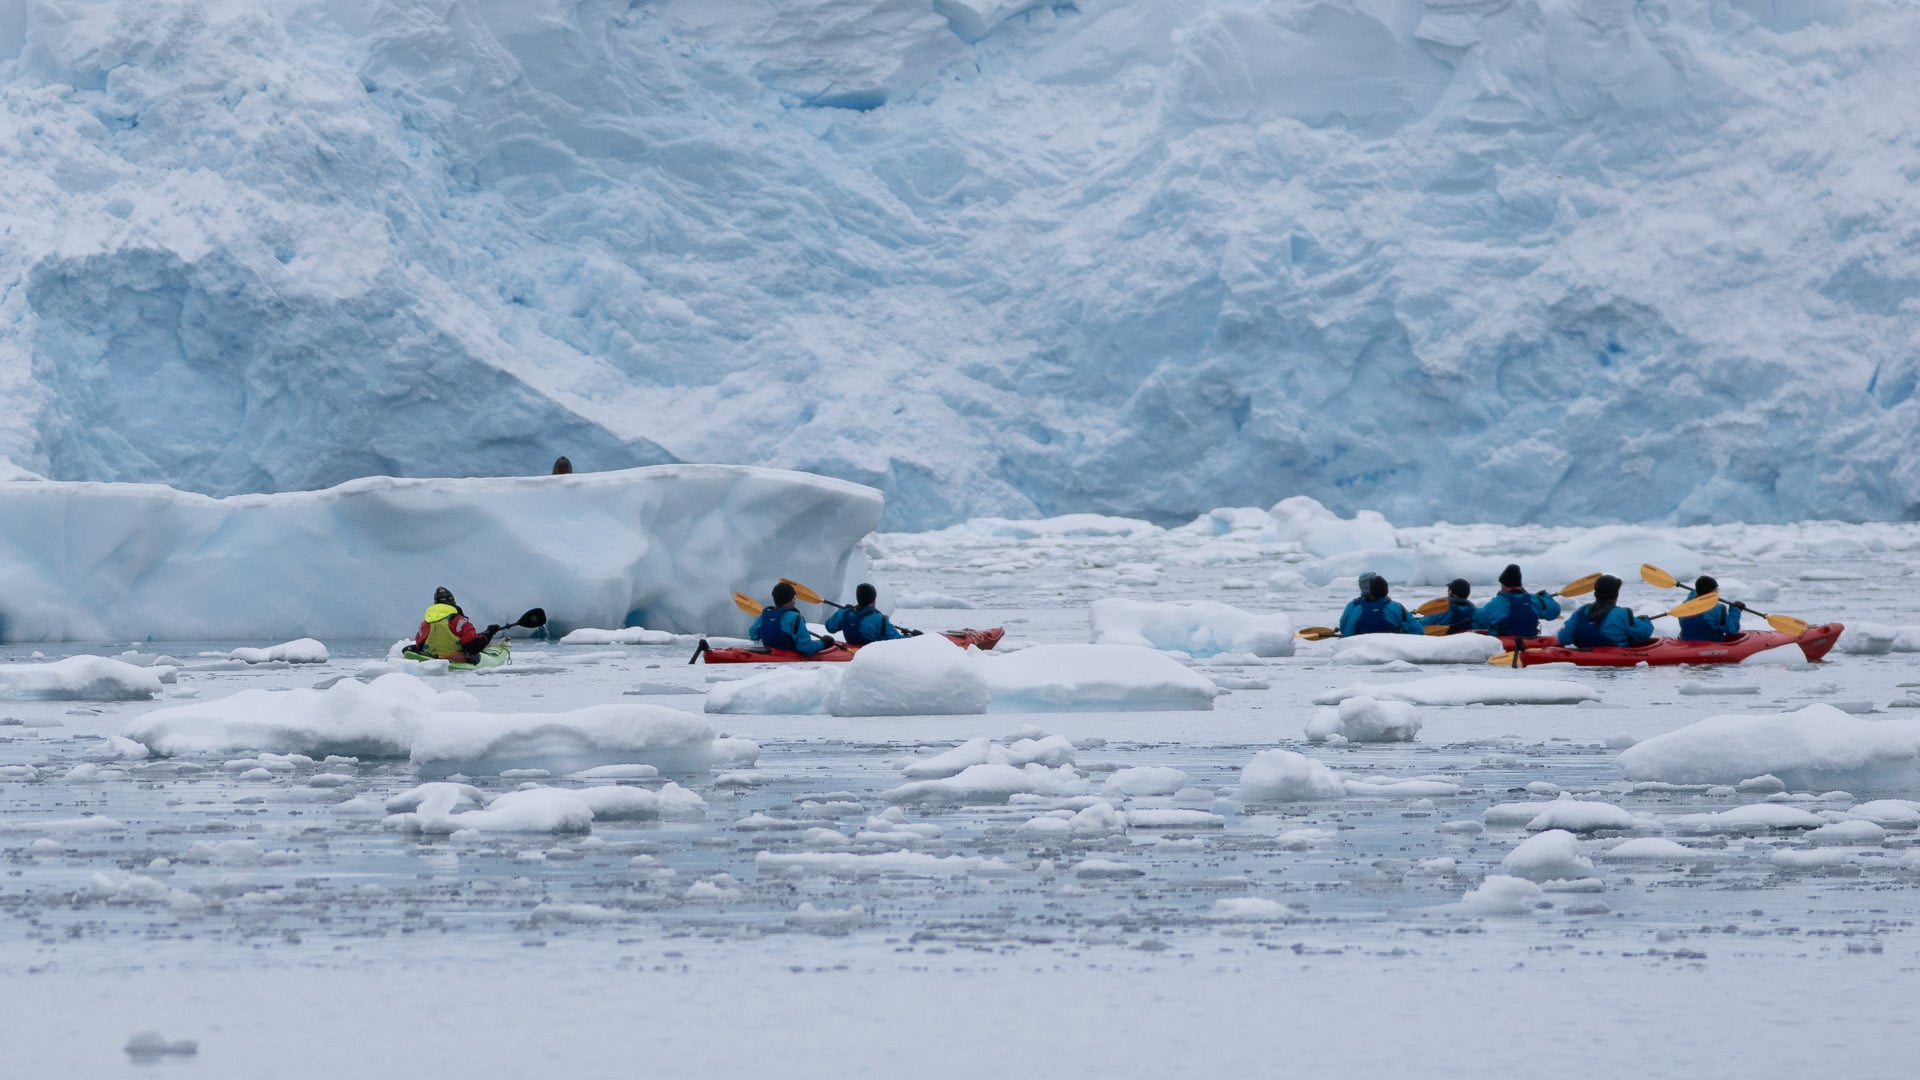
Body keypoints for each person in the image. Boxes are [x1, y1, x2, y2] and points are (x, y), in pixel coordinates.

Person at [1556, 575, 1654, 648]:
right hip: (1617, 663)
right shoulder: (1623, 613)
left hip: (1585, 660)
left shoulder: (1581, 611)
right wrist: (1645, 621)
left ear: (1595, 593)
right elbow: (1643, 635)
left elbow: (1564, 638)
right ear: (1616, 595)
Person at [1474, 563, 1561, 638]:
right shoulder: (1533, 599)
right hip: (1530, 644)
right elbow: (1554, 611)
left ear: (1504, 585)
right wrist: (1545, 597)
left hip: (1505, 647)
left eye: (1502, 585)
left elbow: (1478, 619)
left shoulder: (1497, 603)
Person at [749, 581, 834, 655]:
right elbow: (805, 648)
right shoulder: (795, 618)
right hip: (787, 657)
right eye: (795, 597)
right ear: (791, 599)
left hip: (769, 653)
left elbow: (753, 635)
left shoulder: (765, 614)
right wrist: (824, 643)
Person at [414, 586, 495, 662]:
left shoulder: (425, 623)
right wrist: (489, 633)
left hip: (430, 658)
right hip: (455, 659)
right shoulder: (459, 621)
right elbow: (473, 646)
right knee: (475, 656)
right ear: (453, 602)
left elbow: (419, 645)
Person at [825, 583, 917, 647]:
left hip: (850, 648)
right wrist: (914, 637)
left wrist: (842, 610)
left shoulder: (844, 613)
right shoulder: (881, 619)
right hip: (869, 653)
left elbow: (829, 627)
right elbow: (896, 641)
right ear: (873, 599)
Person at [1339, 575, 1416, 636]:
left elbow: (1346, 633)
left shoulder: (1357, 608)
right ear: (1386, 590)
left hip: (1365, 648)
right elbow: (1416, 630)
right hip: (1392, 648)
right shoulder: (1397, 607)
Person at [1676, 574, 1742, 642]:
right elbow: (1731, 630)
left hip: (1686, 643)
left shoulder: (1684, 606)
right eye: (1716, 590)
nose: (1717, 592)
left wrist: (1696, 591)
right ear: (1712, 592)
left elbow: (1692, 598)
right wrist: (1736, 609)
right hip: (1709, 645)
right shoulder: (1718, 609)